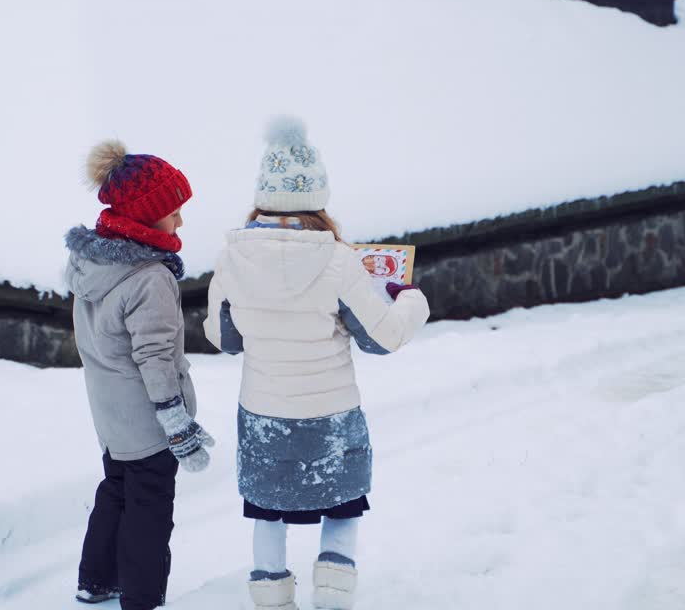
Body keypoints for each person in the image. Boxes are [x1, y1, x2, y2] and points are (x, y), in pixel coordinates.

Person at [204, 117, 430, 610]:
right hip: (330, 416)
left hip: (263, 416)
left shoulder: (231, 258)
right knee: (343, 505)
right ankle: (332, 595)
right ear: (318, 199)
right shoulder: (340, 262)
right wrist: (410, 299)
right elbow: (382, 339)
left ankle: (270, 596)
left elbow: (225, 339)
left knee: (267, 510)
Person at [65, 140, 215, 610]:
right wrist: (176, 424)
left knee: (117, 491)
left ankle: (97, 579)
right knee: (149, 510)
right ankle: (142, 597)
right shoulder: (150, 277)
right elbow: (155, 356)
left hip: (110, 416)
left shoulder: (92, 263)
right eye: (173, 211)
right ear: (148, 216)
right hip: (148, 422)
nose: (180, 221)